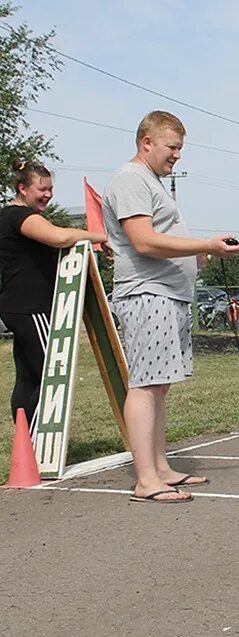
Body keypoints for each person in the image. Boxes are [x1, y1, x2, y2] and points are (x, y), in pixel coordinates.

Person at [103, 111, 239, 504]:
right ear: (146, 142)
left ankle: (160, 467)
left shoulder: (151, 182)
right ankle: (145, 480)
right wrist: (205, 245)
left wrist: (194, 255)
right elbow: (144, 242)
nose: (177, 156)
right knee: (145, 386)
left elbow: (158, 239)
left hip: (167, 293)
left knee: (159, 386)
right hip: (148, 294)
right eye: (172, 147)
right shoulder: (131, 180)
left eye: (180, 148)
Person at [0, 162, 106, 439]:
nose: (47, 195)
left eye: (50, 189)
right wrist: (98, 237)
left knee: (29, 376)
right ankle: (40, 443)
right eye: (41, 189)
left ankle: (26, 442)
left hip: (18, 306)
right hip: (30, 307)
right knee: (51, 372)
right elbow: (60, 237)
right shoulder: (20, 216)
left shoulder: (19, 215)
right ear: (22, 189)